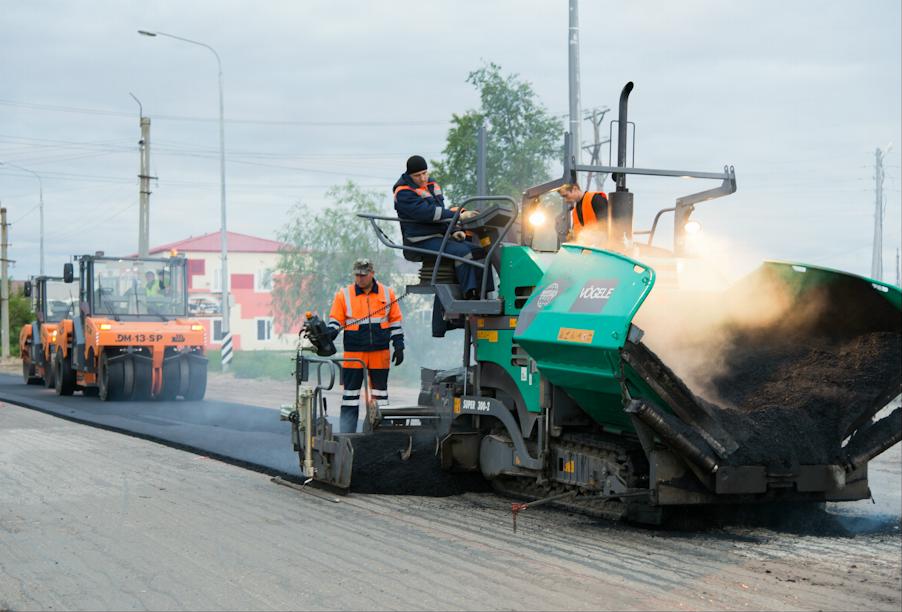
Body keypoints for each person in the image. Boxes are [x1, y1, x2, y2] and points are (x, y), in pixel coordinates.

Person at [393, 155, 491, 336]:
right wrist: (459, 217)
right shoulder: (403, 193)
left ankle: (484, 294)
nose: (423, 178)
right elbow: (428, 214)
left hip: (439, 235)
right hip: (420, 239)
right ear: (409, 175)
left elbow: (440, 216)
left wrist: (453, 230)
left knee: (479, 251)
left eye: (424, 173)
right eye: (417, 176)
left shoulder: (431, 185)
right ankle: (470, 295)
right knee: (462, 253)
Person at [327, 258, 404, 433]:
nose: (360, 278)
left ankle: (381, 433)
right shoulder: (344, 295)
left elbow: (395, 321)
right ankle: (348, 434)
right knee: (350, 397)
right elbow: (335, 320)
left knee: (380, 397)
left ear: (372, 274)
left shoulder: (387, 293)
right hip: (355, 353)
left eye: (363, 275)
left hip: (380, 352)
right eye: (357, 275)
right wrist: (331, 332)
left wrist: (399, 345)